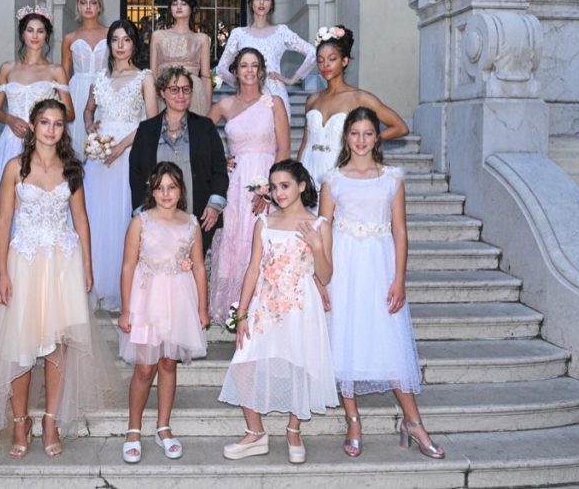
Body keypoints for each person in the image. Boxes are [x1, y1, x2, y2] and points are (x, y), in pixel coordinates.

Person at [0, 98, 120, 459]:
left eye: (57, 123)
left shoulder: (72, 168)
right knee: (20, 345)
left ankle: (51, 421)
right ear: (33, 126)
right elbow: (2, 223)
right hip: (24, 262)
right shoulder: (15, 168)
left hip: (63, 262)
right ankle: (20, 422)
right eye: (45, 122)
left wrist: (88, 267)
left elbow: (81, 220)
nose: (51, 129)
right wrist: (1, 272)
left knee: (58, 345)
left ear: (63, 129)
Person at [319, 107, 444, 460]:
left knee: (390, 344)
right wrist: (321, 278)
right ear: (346, 137)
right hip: (343, 268)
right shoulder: (332, 179)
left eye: (368, 133)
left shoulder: (391, 178)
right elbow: (322, 230)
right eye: (355, 133)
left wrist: (399, 278)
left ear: (377, 137)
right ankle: (353, 421)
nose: (361, 140)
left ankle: (413, 422)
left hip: (379, 267)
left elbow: (400, 231)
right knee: (344, 340)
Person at [218, 160, 336, 464]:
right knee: (243, 363)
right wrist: (242, 313)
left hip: (300, 306)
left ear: (301, 186)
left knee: (300, 364)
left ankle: (294, 431)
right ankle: (255, 432)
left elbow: (325, 276)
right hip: (265, 304)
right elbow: (252, 269)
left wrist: (317, 246)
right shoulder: (264, 222)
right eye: (274, 187)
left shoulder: (320, 225)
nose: (279, 192)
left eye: (285, 185)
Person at [0, 7, 74, 312]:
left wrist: (45, 120)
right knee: (7, 208)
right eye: (30, 30)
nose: (35, 36)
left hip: (45, 141)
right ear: (22, 34)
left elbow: (69, 112)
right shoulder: (8, 68)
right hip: (12, 141)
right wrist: (9, 118)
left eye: (40, 31)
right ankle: (1, 276)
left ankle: (42, 277)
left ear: (47, 36)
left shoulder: (56, 71)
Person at [118, 162, 208, 463]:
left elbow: (198, 267)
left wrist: (202, 307)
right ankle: (133, 429)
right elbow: (128, 266)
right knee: (145, 367)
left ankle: (163, 427)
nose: (166, 194)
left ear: (181, 190)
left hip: (179, 299)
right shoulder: (141, 222)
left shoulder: (191, 223)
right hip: (146, 300)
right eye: (160, 188)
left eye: (171, 187)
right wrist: (126, 309)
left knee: (169, 363)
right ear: (152, 191)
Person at [207, 48, 289, 323]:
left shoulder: (274, 103)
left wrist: (271, 190)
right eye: (244, 65)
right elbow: (199, 135)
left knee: (262, 240)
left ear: (262, 70)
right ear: (236, 71)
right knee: (235, 236)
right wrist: (219, 159)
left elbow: (284, 149)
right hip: (236, 183)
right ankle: (233, 306)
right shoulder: (225, 105)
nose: (250, 70)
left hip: (268, 179)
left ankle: (263, 306)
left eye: (255, 65)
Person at [82, 20, 159, 310]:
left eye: (126, 39)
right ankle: (96, 283)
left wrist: (122, 146)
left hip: (129, 152)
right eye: (115, 39)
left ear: (134, 44)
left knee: (122, 214)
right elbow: (88, 110)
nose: (120, 45)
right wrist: (91, 128)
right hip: (100, 156)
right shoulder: (100, 78)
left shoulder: (144, 78)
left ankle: (123, 286)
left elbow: (152, 123)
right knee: (97, 214)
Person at [128, 66, 228, 252]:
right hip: (156, 218)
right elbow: (136, 172)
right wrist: (141, 211)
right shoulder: (146, 130)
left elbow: (219, 168)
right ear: (162, 92)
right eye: (174, 89)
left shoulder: (205, 127)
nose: (181, 95)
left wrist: (215, 205)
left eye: (186, 89)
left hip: (199, 216)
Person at [298, 25, 409, 190]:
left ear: (344, 61)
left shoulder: (360, 98)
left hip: (339, 166)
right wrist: (297, 176)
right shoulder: (312, 100)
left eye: (332, 59)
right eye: (320, 60)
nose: (325, 64)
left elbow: (400, 128)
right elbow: (305, 142)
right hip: (308, 167)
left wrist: (364, 142)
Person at [215, 0, 316, 110]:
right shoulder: (238, 34)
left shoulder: (282, 32)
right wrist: (240, 82)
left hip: (276, 97)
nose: (261, 3)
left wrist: (291, 80)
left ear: (271, 4)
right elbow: (221, 68)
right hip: (248, 98)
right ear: (251, 3)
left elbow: (313, 53)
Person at [61, 0, 108, 158]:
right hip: (77, 91)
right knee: (77, 141)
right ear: (78, 7)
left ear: (99, 6)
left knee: (103, 139)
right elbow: (64, 74)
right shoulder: (70, 38)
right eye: (83, 2)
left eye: (93, 2)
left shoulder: (111, 33)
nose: (88, 7)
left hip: (104, 89)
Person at [150, 0, 213, 115]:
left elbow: (206, 77)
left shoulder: (202, 39)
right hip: (165, 91)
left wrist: (208, 110)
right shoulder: (158, 36)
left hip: (194, 92)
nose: (179, 7)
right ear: (170, 9)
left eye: (183, 3)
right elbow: (153, 75)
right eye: (174, 4)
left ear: (191, 8)